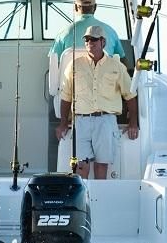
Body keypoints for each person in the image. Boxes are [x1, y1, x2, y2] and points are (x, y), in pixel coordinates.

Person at [55, 25, 138, 179]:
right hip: (80, 121)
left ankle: (99, 194)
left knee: (101, 165)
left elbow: (130, 96)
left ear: (103, 42)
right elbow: (66, 96)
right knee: (80, 165)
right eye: (87, 40)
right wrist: (63, 123)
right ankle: (83, 195)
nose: (90, 43)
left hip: (106, 121)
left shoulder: (117, 66)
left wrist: (133, 123)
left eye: (94, 39)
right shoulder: (74, 65)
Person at [49, 0, 123, 59]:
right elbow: (122, 60)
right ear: (95, 7)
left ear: (75, 7)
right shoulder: (111, 31)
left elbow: (53, 61)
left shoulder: (63, 33)